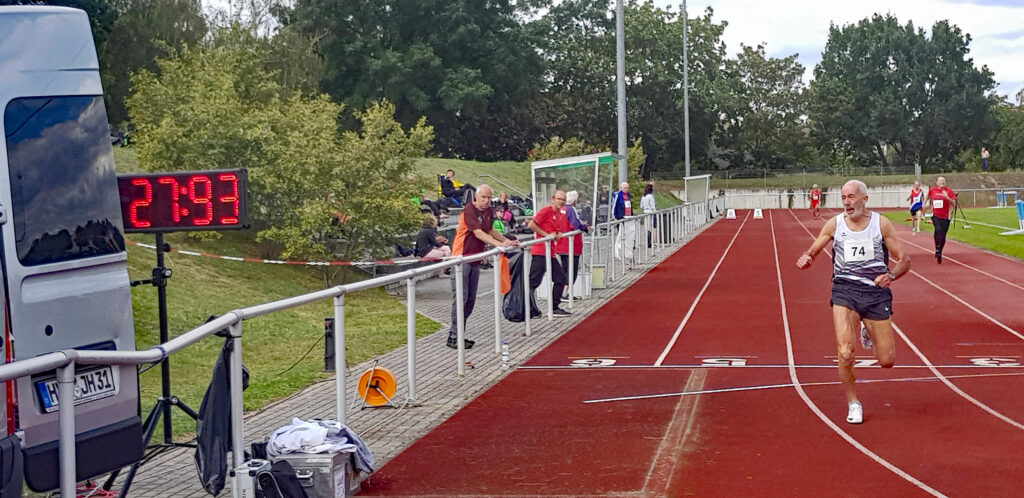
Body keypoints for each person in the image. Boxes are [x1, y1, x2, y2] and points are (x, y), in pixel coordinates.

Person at [796, 179, 911, 424]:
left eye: (851, 197)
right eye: (844, 197)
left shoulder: (881, 224)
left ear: (864, 199)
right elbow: (813, 250)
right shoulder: (835, 224)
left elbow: (904, 260)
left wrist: (890, 275)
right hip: (845, 290)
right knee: (845, 352)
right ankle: (853, 403)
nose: (847, 202)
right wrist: (806, 258)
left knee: (886, 361)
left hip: (875, 294)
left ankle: (865, 326)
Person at [448, 185, 518, 349]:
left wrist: (504, 241)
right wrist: (497, 246)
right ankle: (454, 335)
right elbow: (478, 232)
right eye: (483, 197)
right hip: (461, 259)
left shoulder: (489, 211)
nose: (486, 201)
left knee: (470, 300)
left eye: (489, 198)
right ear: (476, 198)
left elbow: (490, 230)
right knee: (461, 298)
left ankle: (458, 334)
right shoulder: (469, 210)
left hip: (475, 260)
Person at [527, 190, 571, 317]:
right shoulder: (546, 211)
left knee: (560, 279)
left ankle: (554, 307)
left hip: (550, 252)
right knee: (533, 281)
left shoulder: (559, 214)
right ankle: (526, 306)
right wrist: (546, 235)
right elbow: (531, 225)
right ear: (553, 199)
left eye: (563, 199)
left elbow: (554, 231)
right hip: (540, 251)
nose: (561, 201)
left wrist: (557, 234)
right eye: (559, 199)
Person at [557, 191, 590, 301]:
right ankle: (564, 293)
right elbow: (576, 223)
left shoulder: (561, 209)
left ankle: (562, 292)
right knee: (572, 270)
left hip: (561, 244)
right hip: (571, 245)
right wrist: (585, 228)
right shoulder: (571, 210)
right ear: (575, 200)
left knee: (565, 268)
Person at [926, 176, 956, 263]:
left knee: (943, 235)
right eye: (940, 181)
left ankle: (939, 252)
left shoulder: (949, 191)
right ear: (937, 182)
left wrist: (947, 198)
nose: (941, 182)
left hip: (946, 216)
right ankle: (937, 248)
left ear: (945, 182)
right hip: (935, 215)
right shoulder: (932, 190)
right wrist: (925, 204)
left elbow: (954, 204)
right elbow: (927, 197)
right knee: (938, 229)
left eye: (943, 181)